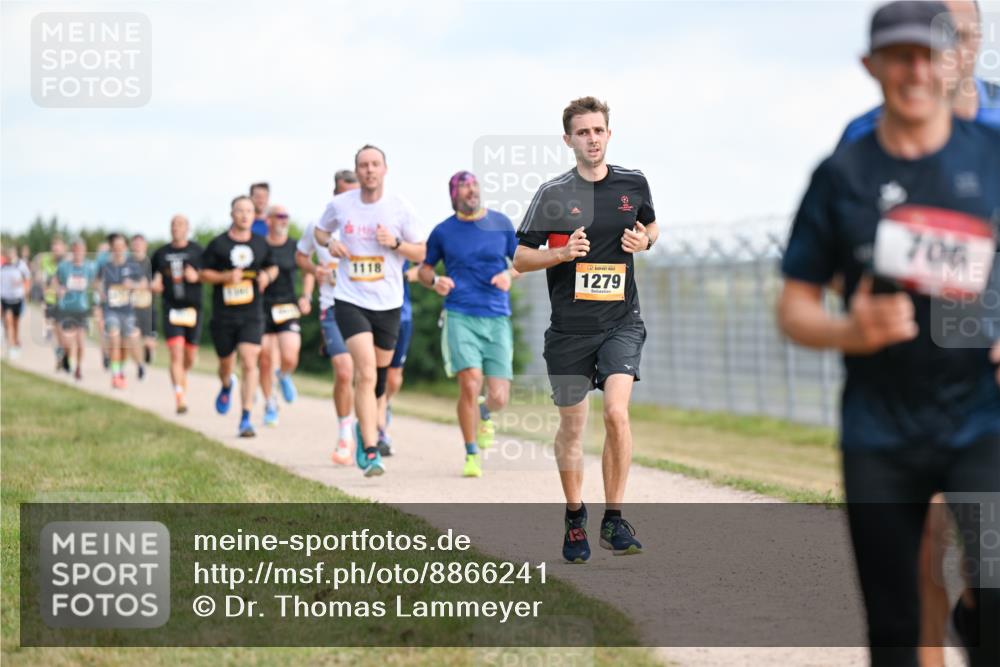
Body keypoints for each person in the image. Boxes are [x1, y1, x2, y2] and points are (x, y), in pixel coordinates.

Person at [777, 3, 1000, 665]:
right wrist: (851, 328)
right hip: (880, 426)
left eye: (929, 53)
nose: (915, 70)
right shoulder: (842, 174)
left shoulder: (991, 158)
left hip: (980, 417)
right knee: (895, 623)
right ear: (872, 66)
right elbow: (794, 307)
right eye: (899, 56)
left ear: (953, 58)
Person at [513, 97, 658, 562]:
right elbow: (519, 258)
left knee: (616, 414)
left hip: (621, 322)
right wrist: (559, 254)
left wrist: (645, 241)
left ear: (609, 134)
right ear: (568, 140)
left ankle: (614, 519)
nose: (592, 139)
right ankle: (575, 517)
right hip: (570, 330)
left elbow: (652, 227)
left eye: (598, 131)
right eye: (583, 132)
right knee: (573, 428)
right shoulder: (553, 194)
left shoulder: (633, 183)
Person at [314, 145, 426, 477]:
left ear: (385, 169)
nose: (369, 170)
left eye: (375, 164)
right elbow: (320, 231)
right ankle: (370, 447)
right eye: (363, 165)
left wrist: (395, 244)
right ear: (357, 170)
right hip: (350, 299)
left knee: (378, 377)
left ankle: (370, 423)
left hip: (388, 303)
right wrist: (329, 243)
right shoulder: (341, 205)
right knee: (364, 373)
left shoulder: (399, 208)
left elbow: (420, 253)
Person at [418, 171, 519, 478]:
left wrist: (508, 275)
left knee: (500, 396)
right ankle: (471, 453)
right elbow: (423, 270)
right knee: (470, 381)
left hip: (497, 317)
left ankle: (485, 413)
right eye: (464, 188)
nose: (471, 191)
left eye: (474, 186)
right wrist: (435, 281)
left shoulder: (501, 224)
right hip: (460, 313)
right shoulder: (443, 232)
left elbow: (523, 262)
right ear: (454, 195)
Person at [201, 195, 277, 437]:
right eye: (240, 210)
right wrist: (224, 278)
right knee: (226, 363)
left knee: (249, 360)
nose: (245, 215)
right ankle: (226, 384)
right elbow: (203, 273)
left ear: (254, 216)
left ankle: (245, 418)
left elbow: (272, 266)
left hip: (251, 314)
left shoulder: (261, 243)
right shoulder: (218, 244)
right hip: (223, 315)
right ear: (232, 214)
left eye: (249, 211)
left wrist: (267, 276)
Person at [296, 171, 358, 464]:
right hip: (332, 306)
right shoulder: (317, 227)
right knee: (344, 371)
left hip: (367, 307)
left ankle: (373, 426)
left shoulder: (369, 225)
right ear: (335, 196)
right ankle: (345, 433)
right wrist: (315, 271)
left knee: (372, 375)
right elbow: (300, 257)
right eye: (343, 195)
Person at [259, 204, 308, 426]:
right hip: (262, 307)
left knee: (290, 355)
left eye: (286, 216)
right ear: (268, 220)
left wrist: (306, 296)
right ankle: (270, 403)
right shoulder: (259, 247)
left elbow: (308, 271)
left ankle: (285, 375)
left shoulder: (294, 246)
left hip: (287, 306)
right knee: (266, 359)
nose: (283, 220)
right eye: (279, 216)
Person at [151, 214, 204, 414]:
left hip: (193, 309)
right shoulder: (161, 253)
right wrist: (154, 284)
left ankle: (182, 376)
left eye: (180, 224)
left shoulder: (198, 251)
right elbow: (153, 275)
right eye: (173, 224)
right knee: (176, 353)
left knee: (189, 357)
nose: (176, 228)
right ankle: (179, 397)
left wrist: (197, 276)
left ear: (187, 228)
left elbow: (209, 274)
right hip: (171, 308)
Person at [375, 261, 417, 456]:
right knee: (375, 374)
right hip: (372, 312)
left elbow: (425, 267)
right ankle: (379, 432)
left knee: (392, 378)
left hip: (402, 316)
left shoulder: (404, 235)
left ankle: (385, 404)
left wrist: (405, 276)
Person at [99, 233, 147, 388]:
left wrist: (132, 285)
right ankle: (116, 375)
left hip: (127, 311)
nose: (119, 250)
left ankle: (138, 365)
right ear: (112, 248)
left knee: (127, 344)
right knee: (114, 338)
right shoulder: (106, 267)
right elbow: (96, 283)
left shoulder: (133, 266)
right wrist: (100, 292)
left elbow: (144, 284)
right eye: (115, 247)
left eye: (121, 247)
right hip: (111, 310)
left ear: (125, 248)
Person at [54, 238, 97, 380]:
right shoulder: (64, 267)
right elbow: (55, 281)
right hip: (66, 308)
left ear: (84, 251)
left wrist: (96, 298)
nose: (78, 252)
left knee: (80, 342)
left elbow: (94, 283)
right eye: (75, 249)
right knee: (67, 342)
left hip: (82, 309)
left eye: (80, 249)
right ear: (72, 251)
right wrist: (58, 289)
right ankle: (65, 355)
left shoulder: (89, 268)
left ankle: (78, 368)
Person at [130, 234, 157, 366]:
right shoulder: (127, 263)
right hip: (131, 307)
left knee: (149, 341)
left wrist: (138, 285)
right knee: (133, 336)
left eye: (140, 243)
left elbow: (152, 284)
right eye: (135, 244)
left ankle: (148, 351)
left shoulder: (150, 263)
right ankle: (139, 365)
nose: (137, 246)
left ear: (145, 245)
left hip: (148, 308)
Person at [1, 245, 32, 358]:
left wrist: (25, 289)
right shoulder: (3, 267)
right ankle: (11, 346)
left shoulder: (21, 266)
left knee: (15, 323)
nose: (10, 256)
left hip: (18, 298)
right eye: (8, 254)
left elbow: (27, 278)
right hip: (5, 299)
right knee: (8, 321)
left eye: (12, 253)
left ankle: (16, 340)